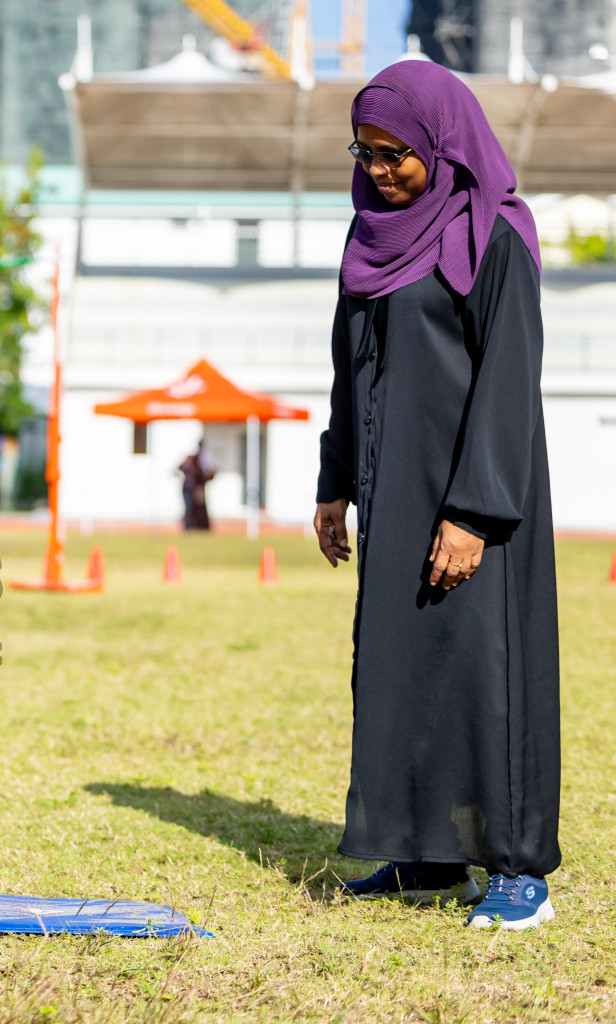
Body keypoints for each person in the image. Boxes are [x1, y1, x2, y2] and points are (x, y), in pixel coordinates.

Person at [314, 61, 559, 930]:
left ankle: (519, 868)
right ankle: (425, 857)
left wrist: (474, 512)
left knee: (487, 675)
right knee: (401, 671)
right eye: (366, 152)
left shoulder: (495, 238)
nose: (380, 172)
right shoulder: (370, 235)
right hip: (393, 489)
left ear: (443, 144)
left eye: (397, 155)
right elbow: (350, 367)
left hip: (476, 499)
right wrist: (335, 480)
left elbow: (509, 382)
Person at [178, 440, 216, 531]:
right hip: (189, 486)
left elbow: (210, 470)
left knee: (198, 507)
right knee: (189, 507)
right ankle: (188, 527)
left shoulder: (203, 457)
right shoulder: (193, 458)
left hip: (197, 486)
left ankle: (199, 526)